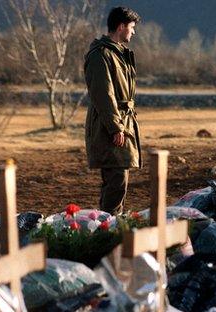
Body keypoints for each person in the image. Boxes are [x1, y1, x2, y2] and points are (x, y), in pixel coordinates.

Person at [84, 7, 141, 215]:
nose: (133, 32)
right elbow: (103, 94)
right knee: (117, 178)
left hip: (121, 122)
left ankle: (109, 223)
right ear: (121, 26)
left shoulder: (118, 54)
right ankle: (109, 227)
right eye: (132, 27)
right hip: (110, 125)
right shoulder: (101, 55)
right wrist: (116, 127)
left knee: (118, 178)